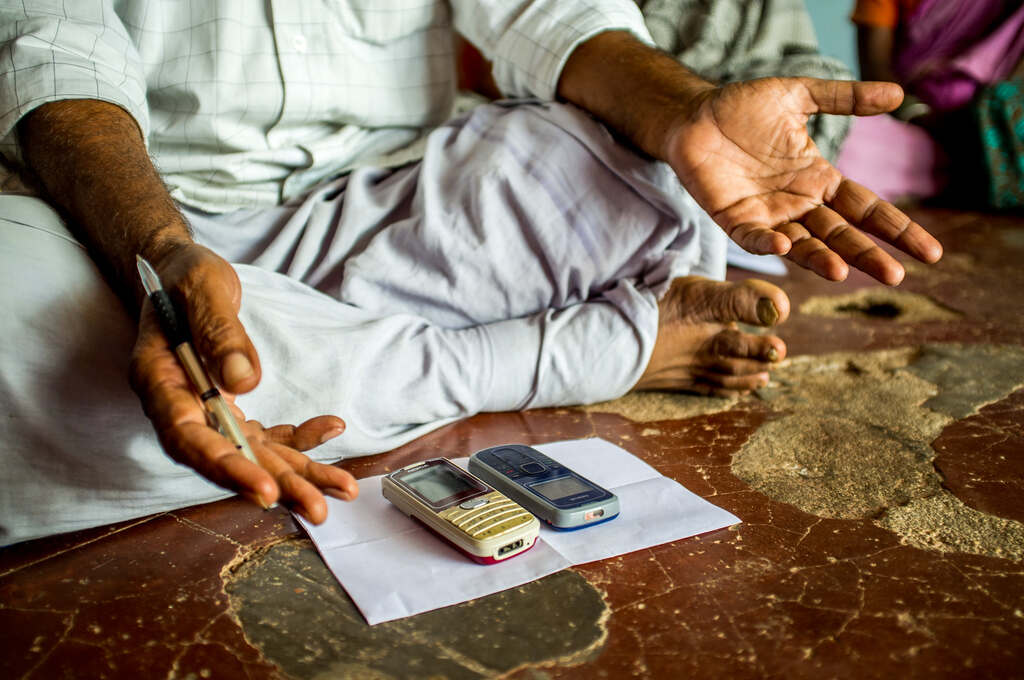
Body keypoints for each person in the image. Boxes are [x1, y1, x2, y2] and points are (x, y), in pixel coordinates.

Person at [0, 1, 942, 545]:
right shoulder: (146, 238)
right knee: (18, 317)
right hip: (130, 213)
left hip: (400, 200)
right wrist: (158, 261)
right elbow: (53, 48)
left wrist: (685, 115)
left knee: (629, 171)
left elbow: (552, 15)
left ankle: (327, 368)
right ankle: (578, 350)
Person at [839, 0, 1024, 206]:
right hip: (918, 125)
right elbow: (875, 72)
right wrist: (920, 115)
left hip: (993, 126)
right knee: (842, 148)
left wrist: (987, 114)